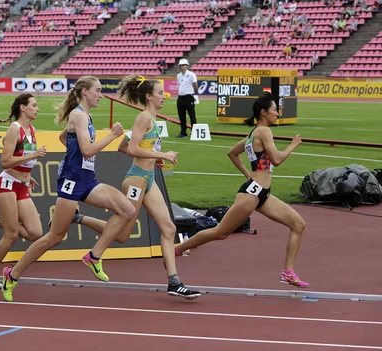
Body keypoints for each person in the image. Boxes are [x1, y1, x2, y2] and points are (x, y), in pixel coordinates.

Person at [1, 76, 136, 302]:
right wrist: (111, 136)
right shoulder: (78, 115)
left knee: (127, 211)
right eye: (98, 91)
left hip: (87, 179)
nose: (101, 95)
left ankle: (94, 256)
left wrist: (72, 152)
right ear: (85, 92)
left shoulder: (86, 117)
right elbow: (87, 151)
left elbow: (64, 137)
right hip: (72, 181)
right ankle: (12, 275)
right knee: (54, 238)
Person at [65, 75, 201, 299]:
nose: (164, 97)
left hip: (149, 178)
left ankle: (174, 282)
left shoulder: (152, 119)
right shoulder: (143, 118)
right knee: (123, 235)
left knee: (169, 228)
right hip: (136, 180)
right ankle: (86, 236)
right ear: (149, 97)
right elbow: (132, 149)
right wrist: (161, 154)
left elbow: (123, 146)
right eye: (160, 93)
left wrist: (153, 160)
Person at [173, 92, 309, 288]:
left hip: (262, 193)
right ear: (264, 112)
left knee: (298, 224)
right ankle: (176, 250)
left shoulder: (252, 134)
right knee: (220, 232)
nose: (277, 114)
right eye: (274, 110)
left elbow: (233, 153)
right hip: (252, 193)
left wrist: (249, 175)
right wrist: (293, 145)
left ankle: (288, 272)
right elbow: (277, 160)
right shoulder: (263, 131)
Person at [0, 94, 46, 289]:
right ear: (23, 108)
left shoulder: (31, 129)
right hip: (6, 184)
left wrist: (27, 175)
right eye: (34, 105)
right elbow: (5, 161)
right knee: (11, 235)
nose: (37, 109)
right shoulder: (14, 130)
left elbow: (22, 160)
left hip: (21, 185)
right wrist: (33, 155)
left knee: (35, 232)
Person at [175, 59, 198, 138]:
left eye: (183, 65)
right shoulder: (178, 75)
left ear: (187, 65)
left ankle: (194, 132)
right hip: (181, 97)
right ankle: (183, 132)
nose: (181, 66)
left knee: (192, 115)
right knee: (181, 115)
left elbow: (195, 85)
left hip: (188, 96)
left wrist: (191, 92)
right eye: (180, 65)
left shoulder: (191, 75)